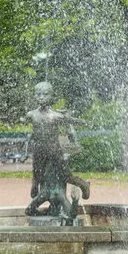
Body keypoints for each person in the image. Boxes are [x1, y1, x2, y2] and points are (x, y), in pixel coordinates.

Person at [21, 81, 90, 219]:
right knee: (37, 175)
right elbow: (24, 120)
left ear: (51, 96)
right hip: (39, 151)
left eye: (45, 94)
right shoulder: (32, 114)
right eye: (38, 94)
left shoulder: (56, 116)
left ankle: (84, 185)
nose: (41, 97)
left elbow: (70, 123)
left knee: (66, 175)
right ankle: (36, 191)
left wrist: (80, 128)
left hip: (55, 151)